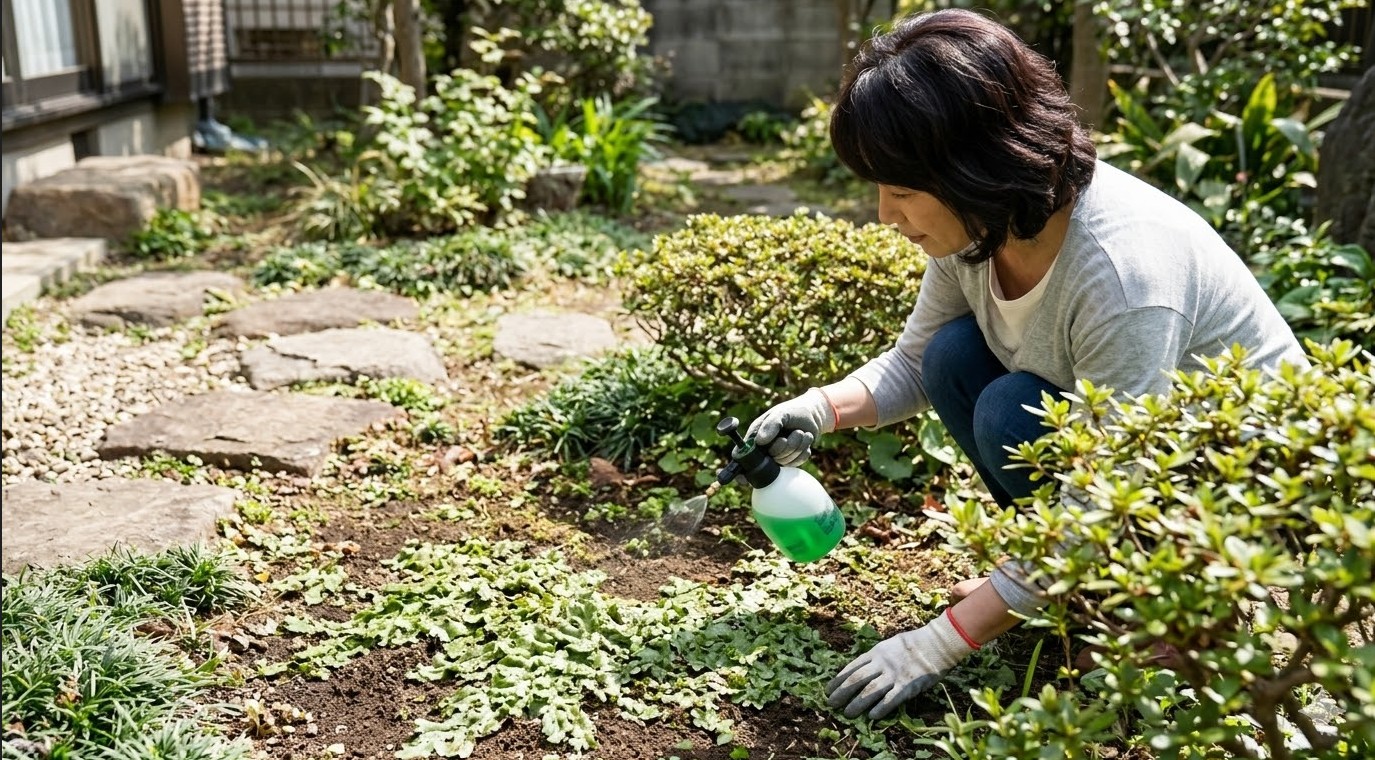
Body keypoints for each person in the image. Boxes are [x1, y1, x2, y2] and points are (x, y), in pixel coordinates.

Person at [746, 8, 1307, 721]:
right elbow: (918, 363)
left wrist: (934, 645)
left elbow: (1102, 497)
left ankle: (1181, 621)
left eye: (903, 191)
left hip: (1221, 511)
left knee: (1010, 409)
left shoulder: (1122, 274)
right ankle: (1084, 593)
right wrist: (818, 408)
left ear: (975, 168)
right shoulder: (979, 227)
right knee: (956, 355)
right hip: (1114, 475)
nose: (885, 216)